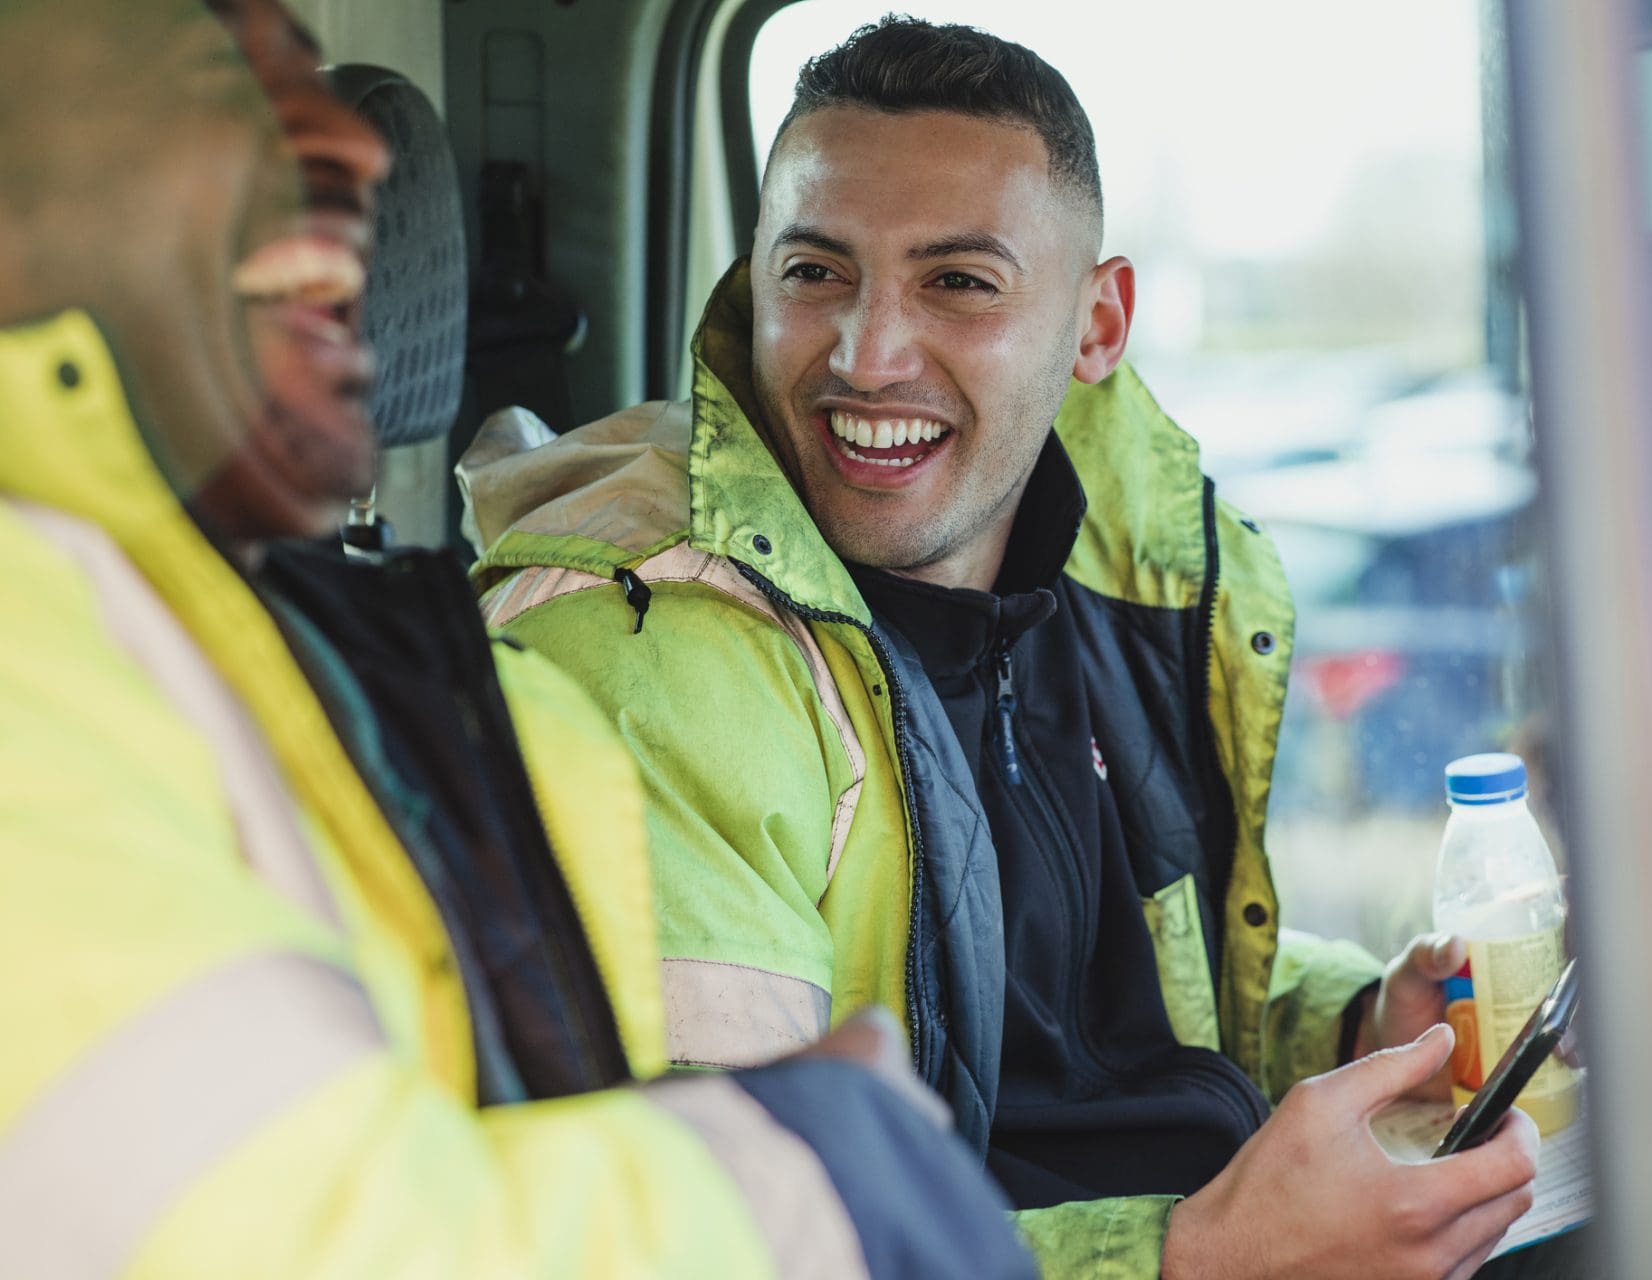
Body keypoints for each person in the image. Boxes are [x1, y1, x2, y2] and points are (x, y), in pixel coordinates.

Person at [461, 15, 1538, 1278]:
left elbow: (1091, 1011)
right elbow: (710, 1244)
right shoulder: (648, 658)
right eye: (814, 272)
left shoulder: (1099, 585)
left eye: (958, 282)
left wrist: (1347, 1023)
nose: (867, 354)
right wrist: (1196, 1257)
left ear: (1097, 324)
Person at [0, 1, 1034, 1275]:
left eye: (961, 282)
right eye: (216, 71)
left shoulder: (349, 661)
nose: (351, 143)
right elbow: (296, 1239)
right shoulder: (35, 657)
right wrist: (830, 1159)